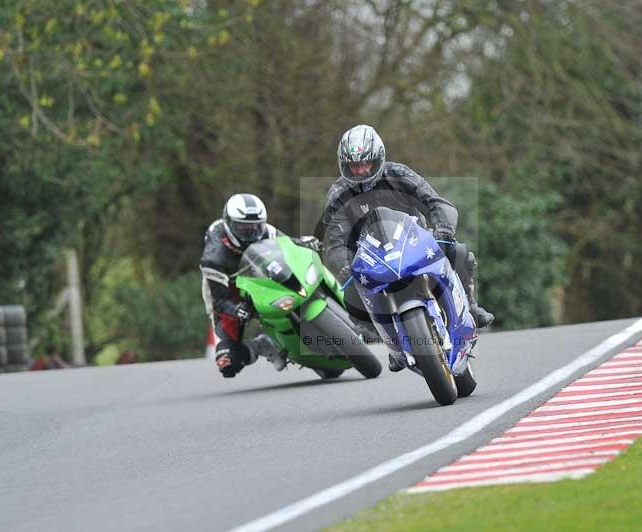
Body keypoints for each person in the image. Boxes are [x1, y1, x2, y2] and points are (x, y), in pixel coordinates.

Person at [321, 124, 494, 370]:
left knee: (459, 251)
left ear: (378, 158)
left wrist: (443, 228)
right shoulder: (339, 192)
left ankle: (470, 305)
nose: (360, 171)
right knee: (349, 291)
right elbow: (334, 240)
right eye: (354, 166)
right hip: (371, 258)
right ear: (344, 166)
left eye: (366, 164)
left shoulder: (398, 174)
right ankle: (389, 341)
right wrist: (344, 268)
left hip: (413, 241)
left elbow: (434, 201)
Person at [200, 193, 320, 378]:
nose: (252, 233)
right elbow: (219, 302)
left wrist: (303, 242)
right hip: (228, 287)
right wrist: (236, 310)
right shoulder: (213, 258)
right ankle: (262, 345)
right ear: (229, 225)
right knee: (227, 363)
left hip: (259, 272)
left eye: (256, 226)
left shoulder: (266, 230)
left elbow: (288, 245)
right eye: (243, 228)